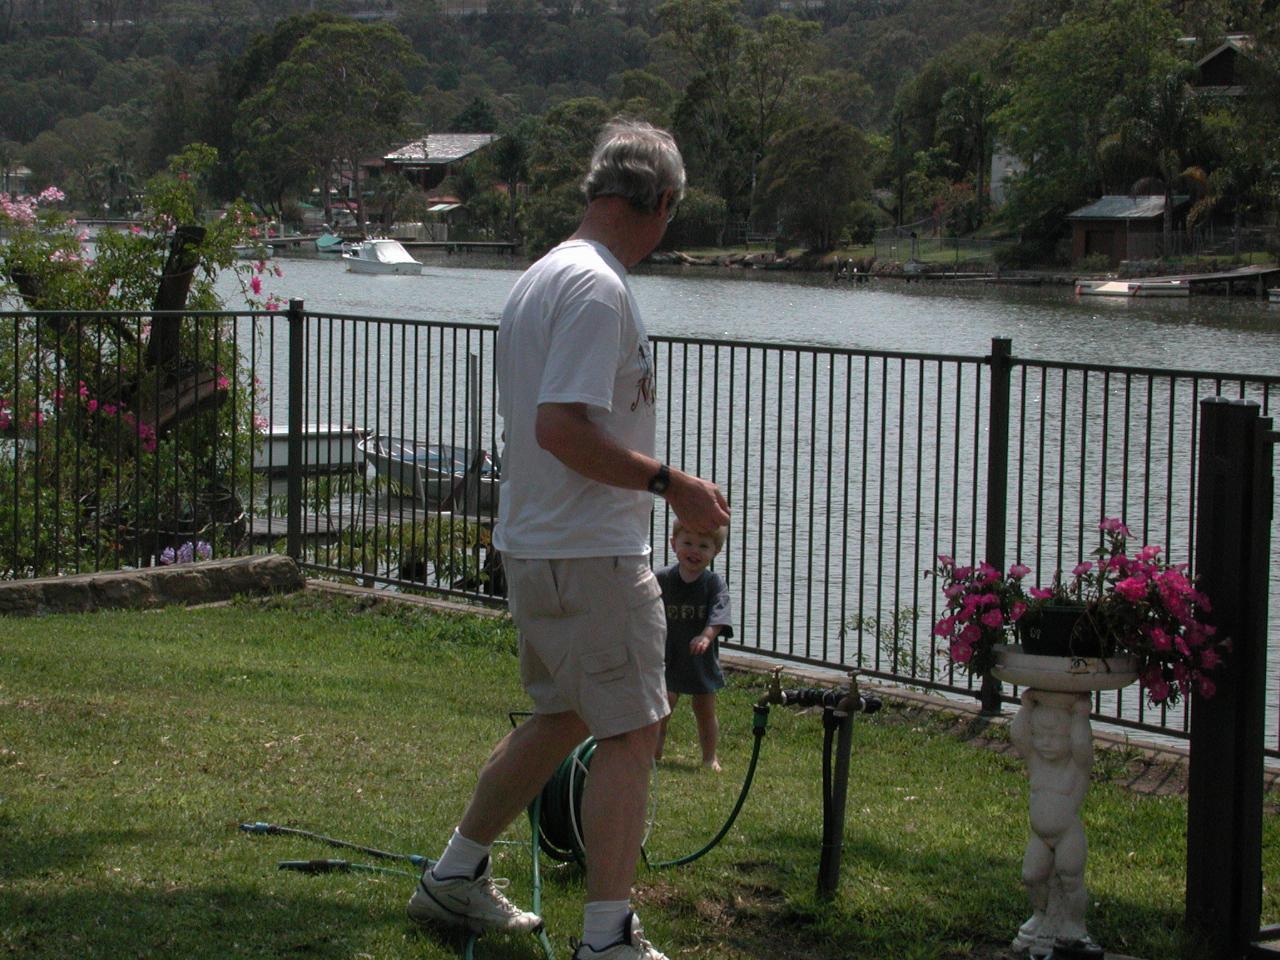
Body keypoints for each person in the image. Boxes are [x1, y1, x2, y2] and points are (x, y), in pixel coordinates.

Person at [406, 118, 730, 960]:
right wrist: (673, 484)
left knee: (561, 716)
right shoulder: (597, 287)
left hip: (535, 545)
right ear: (659, 202)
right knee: (632, 732)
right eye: (672, 213)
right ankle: (607, 938)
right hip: (590, 553)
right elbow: (562, 428)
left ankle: (451, 879)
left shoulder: (540, 276)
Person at [1009, 689, 1093, 953]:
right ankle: (1039, 913)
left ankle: (1075, 923)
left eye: (1055, 737)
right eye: (1040, 736)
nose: (1045, 743)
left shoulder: (1075, 768)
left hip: (1067, 833)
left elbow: (1082, 746)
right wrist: (1025, 708)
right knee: (1031, 875)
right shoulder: (1037, 762)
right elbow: (1019, 738)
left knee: (1071, 879)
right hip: (1040, 835)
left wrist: (1080, 716)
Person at [654, 520, 732, 771]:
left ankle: (710, 757)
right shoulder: (662, 578)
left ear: (715, 551)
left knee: (704, 710)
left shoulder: (713, 584)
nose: (694, 551)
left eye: (703, 546)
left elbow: (719, 616)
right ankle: (653, 754)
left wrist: (707, 636)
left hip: (700, 657)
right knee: (662, 707)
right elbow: (643, 605)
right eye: (687, 543)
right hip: (668, 654)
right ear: (673, 544)